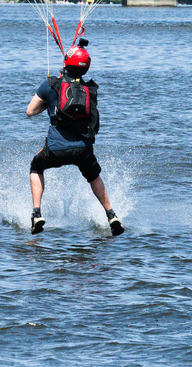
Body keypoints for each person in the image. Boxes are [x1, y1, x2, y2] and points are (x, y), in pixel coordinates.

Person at [24, 39, 123, 236]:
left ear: (66, 63)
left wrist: (47, 104)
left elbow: (30, 111)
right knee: (93, 176)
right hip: (83, 149)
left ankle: (36, 214)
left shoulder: (50, 85)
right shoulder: (90, 90)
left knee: (36, 166)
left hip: (56, 148)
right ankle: (111, 215)